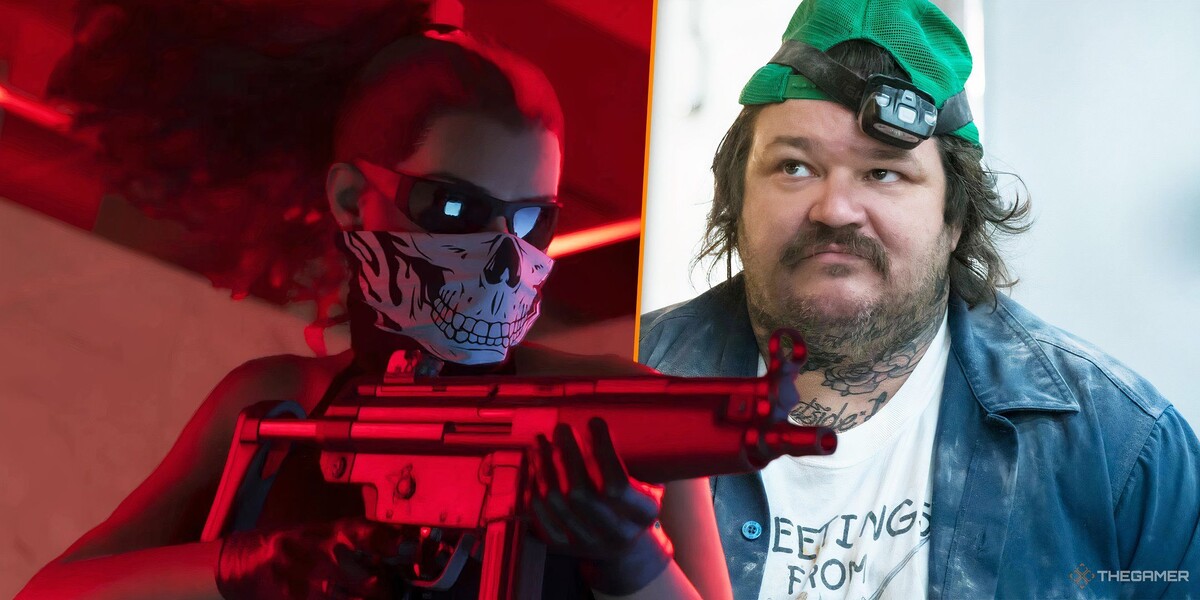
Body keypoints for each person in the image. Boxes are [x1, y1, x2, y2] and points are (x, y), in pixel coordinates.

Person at [18, 3, 729, 599]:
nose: (505, 258)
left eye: (530, 220)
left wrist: (635, 560)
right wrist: (247, 566)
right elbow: (55, 592)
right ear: (352, 199)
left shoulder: (629, 414)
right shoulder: (281, 404)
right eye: (453, 209)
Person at [638, 0, 1200, 598]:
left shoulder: (1123, 454)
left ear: (955, 217)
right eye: (795, 167)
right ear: (736, 196)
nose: (835, 210)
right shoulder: (627, 384)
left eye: (884, 173)